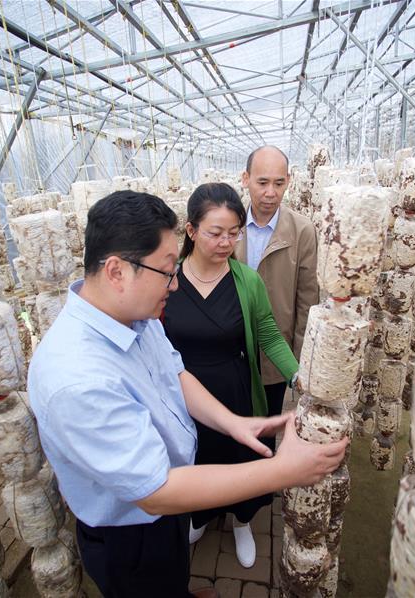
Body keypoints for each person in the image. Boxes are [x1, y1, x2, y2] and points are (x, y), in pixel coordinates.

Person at [28, 190, 348, 598]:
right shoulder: (78, 379)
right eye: (166, 271)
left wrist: (234, 423)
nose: (175, 282)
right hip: (131, 530)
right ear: (116, 271)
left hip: (166, 511)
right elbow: (156, 492)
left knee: (173, 573)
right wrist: (285, 471)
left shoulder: (135, 318)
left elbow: (175, 372)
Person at [162, 183, 299, 568]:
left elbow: (269, 333)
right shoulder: (169, 280)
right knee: (197, 460)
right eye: (216, 233)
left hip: (236, 390)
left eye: (234, 233)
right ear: (191, 231)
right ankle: (201, 515)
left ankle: (242, 522)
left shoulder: (247, 281)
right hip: (184, 395)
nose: (226, 242)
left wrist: (297, 377)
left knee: (239, 459)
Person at [235, 145, 319, 419]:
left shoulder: (302, 230)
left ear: (288, 182)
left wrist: (299, 360)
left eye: (279, 183)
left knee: (268, 422)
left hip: (275, 351)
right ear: (245, 179)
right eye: (262, 183)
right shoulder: (230, 225)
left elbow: (307, 301)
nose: (270, 192)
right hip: (232, 347)